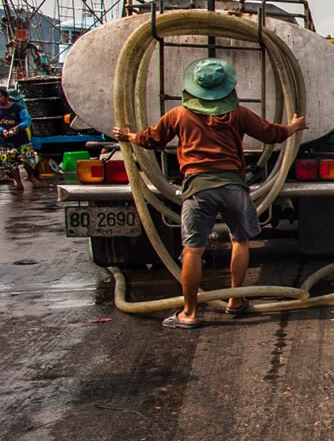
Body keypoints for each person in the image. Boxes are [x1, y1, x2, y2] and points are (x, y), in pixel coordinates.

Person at [112, 58, 306, 329]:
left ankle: (189, 312)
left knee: (192, 249)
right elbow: (271, 134)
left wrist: (130, 136)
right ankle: (235, 301)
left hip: (198, 187)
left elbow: (152, 139)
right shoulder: (238, 113)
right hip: (233, 186)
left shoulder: (179, 114)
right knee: (240, 241)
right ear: (227, 88)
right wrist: (293, 127)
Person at [0, 87, 39, 188]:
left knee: (27, 160)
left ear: (6, 97)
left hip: (21, 139)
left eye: (0, 97)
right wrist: (2, 130)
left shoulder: (18, 107)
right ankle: (18, 182)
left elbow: (27, 120)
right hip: (5, 140)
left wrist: (18, 127)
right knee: (10, 163)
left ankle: (31, 177)